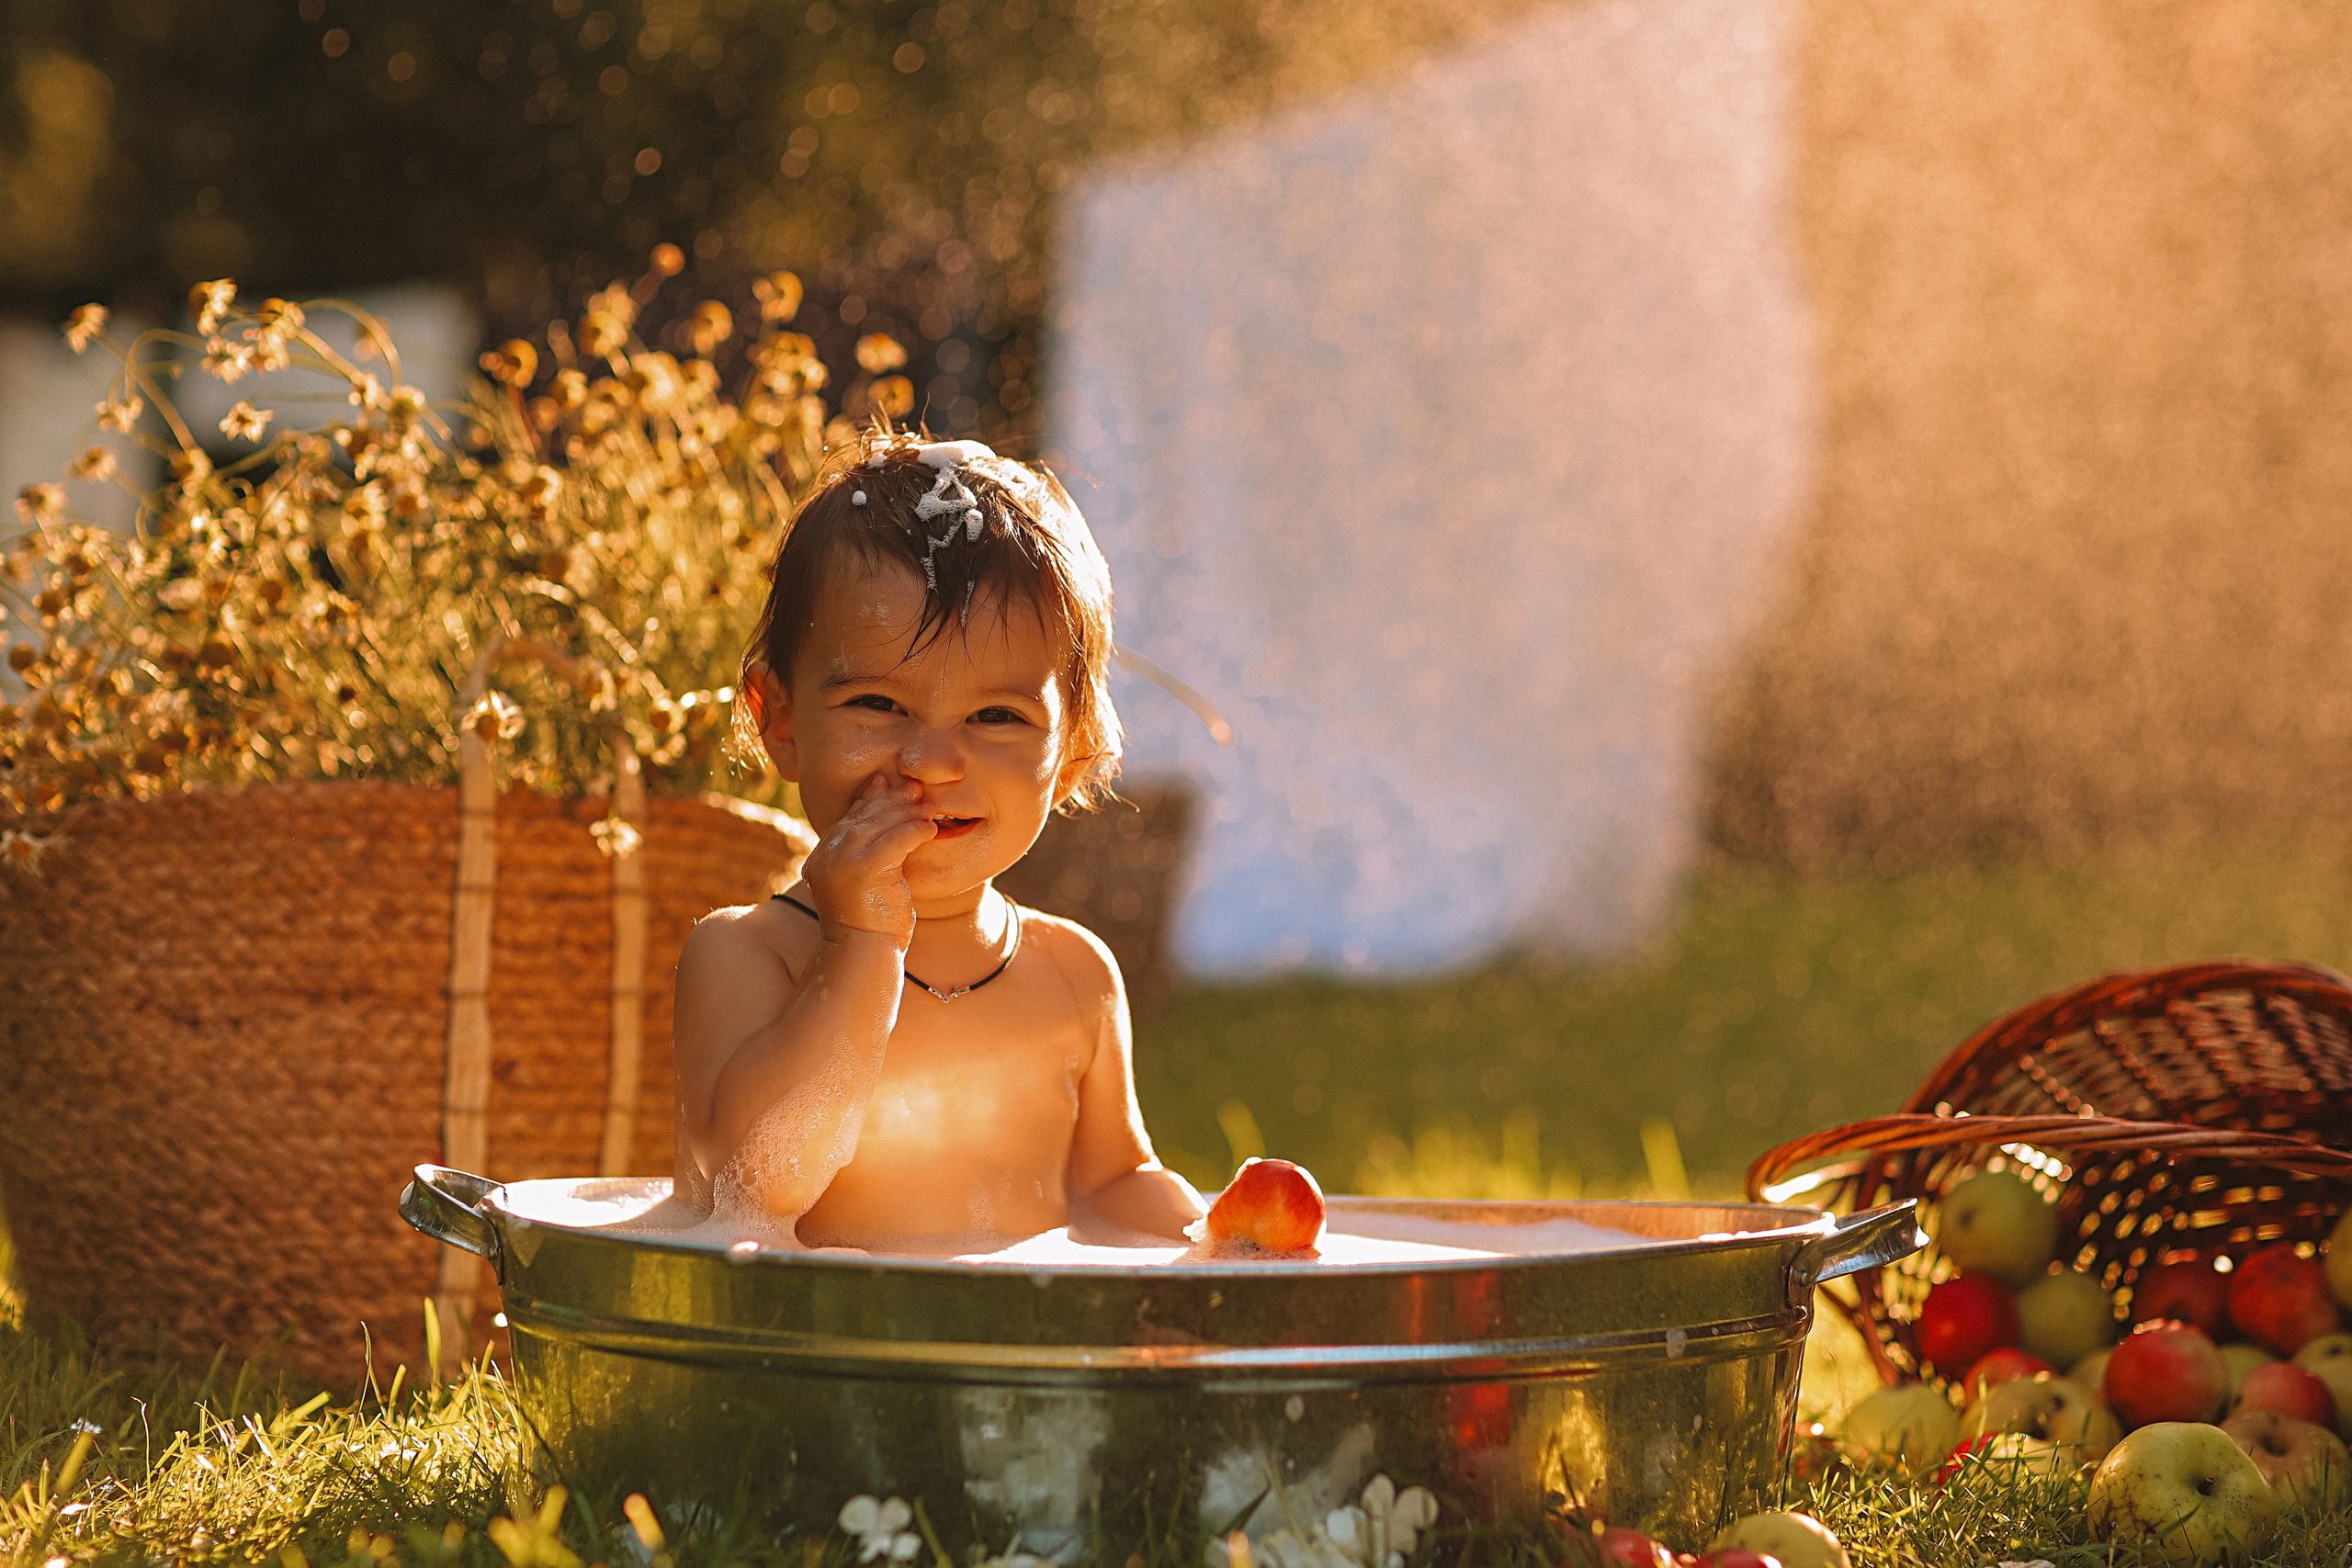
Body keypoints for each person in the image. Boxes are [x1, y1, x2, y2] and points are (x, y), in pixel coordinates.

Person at [667, 428, 1207, 1251]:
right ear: (777, 719)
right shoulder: (748, 957)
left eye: (997, 716)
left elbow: (1110, 1187)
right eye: (878, 706)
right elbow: (754, 1185)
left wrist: (1211, 1243)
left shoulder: (1074, 975)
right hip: (803, 1365)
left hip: (1009, 1373)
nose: (929, 761)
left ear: (1074, 757)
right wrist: (858, 945)